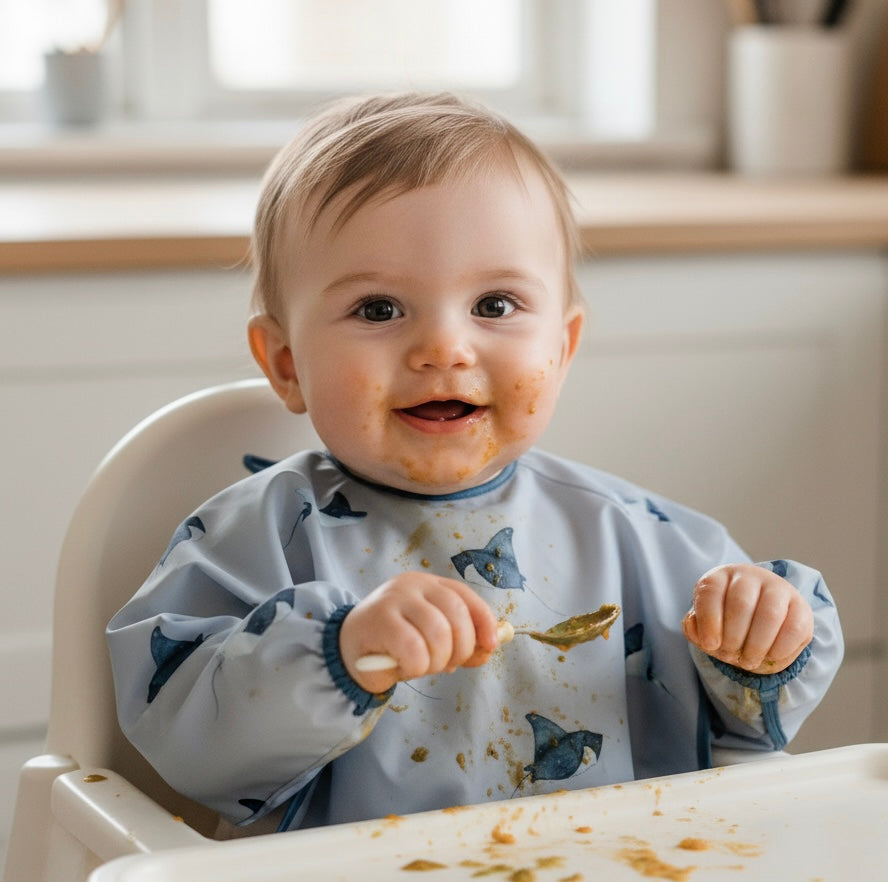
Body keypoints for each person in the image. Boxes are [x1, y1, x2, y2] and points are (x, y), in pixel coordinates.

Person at [107, 92, 842, 834]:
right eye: (378, 310)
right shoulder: (255, 540)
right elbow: (188, 745)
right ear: (288, 363)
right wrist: (338, 654)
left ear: (561, 347)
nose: (444, 349)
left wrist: (763, 645)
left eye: (494, 305)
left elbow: (751, 730)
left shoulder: (634, 536)